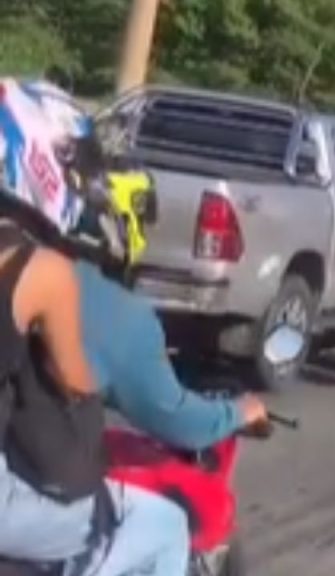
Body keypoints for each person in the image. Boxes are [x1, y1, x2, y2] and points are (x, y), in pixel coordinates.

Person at [0, 78, 268, 452]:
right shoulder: (82, 292)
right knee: (173, 510)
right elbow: (181, 423)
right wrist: (240, 411)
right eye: (82, 161)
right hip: (23, 491)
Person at [0, 78, 188, 574]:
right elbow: (76, 382)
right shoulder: (41, 271)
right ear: (40, 157)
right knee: (163, 527)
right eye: (75, 163)